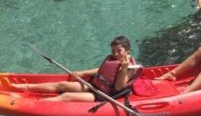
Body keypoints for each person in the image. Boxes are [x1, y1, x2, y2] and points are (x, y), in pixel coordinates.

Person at [12, 36, 140, 102]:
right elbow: (102, 71)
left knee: (67, 96)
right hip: (94, 85)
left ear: (127, 50)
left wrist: (123, 69)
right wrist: (83, 72)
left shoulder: (129, 67)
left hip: (103, 95)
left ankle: (37, 103)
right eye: (113, 51)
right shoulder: (112, 58)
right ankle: (25, 87)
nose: (116, 54)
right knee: (61, 85)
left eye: (119, 51)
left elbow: (118, 87)